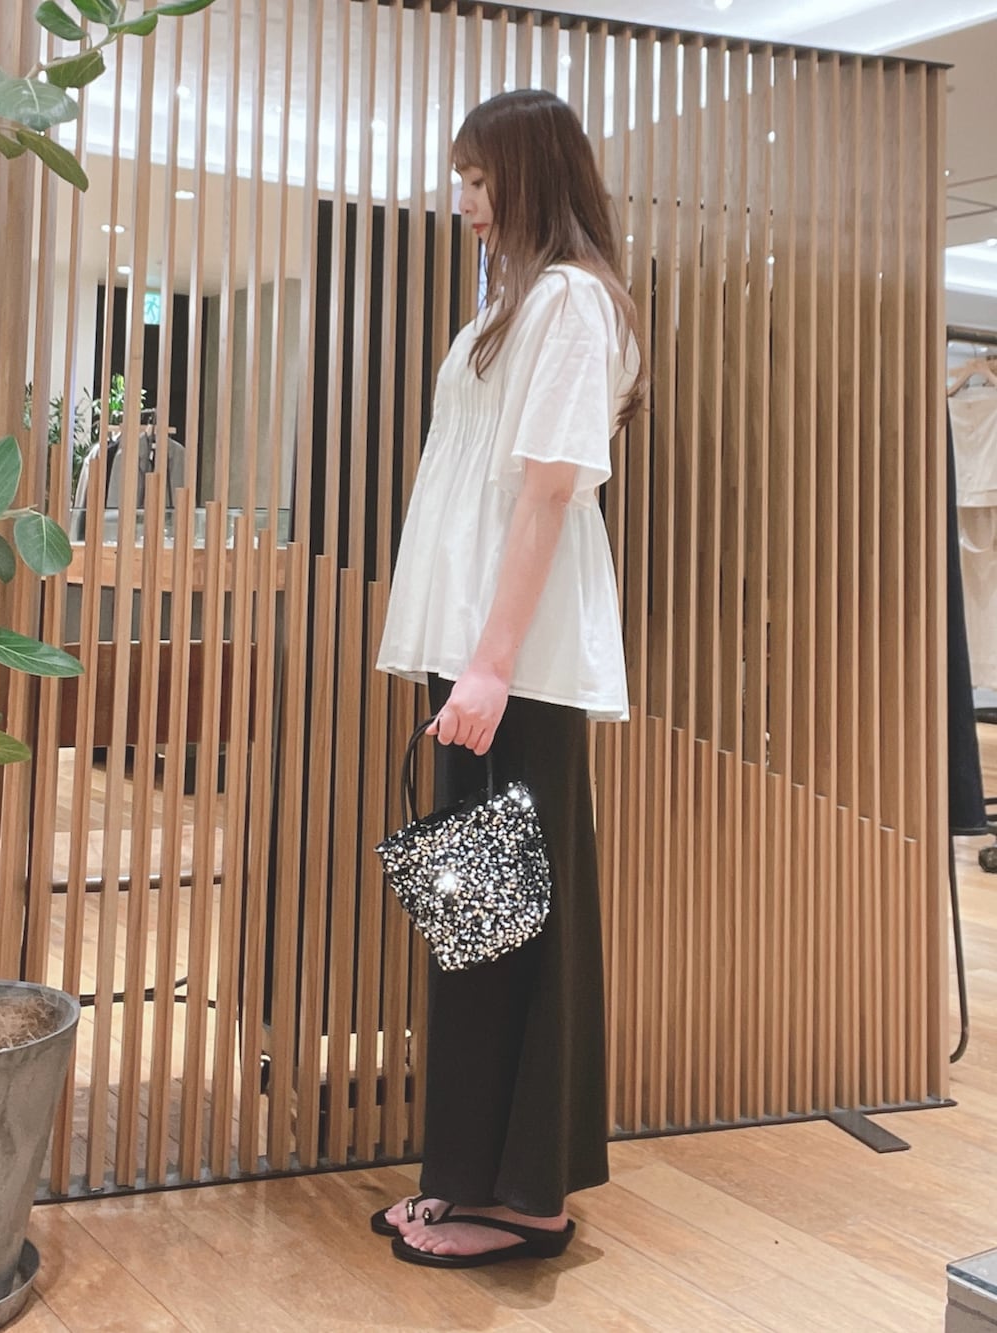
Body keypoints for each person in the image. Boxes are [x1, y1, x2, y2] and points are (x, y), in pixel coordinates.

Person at [373, 87, 646, 1269]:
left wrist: (488, 668)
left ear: (530, 175)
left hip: (512, 667)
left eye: (480, 179)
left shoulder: (572, 303)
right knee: (478, 923)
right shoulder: (516, 305)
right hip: (480, 656)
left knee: (513, 926)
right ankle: (470, 1175)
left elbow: (545, 492)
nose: (464, 200)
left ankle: (525, 1196)